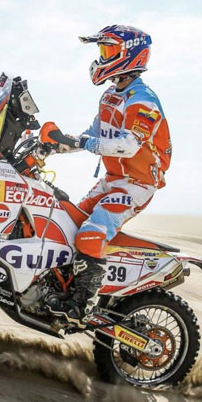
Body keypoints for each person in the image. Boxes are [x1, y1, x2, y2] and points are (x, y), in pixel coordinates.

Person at [41, 25, 172, 327]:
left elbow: (128, 146)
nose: (102, 58)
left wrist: (84, 143)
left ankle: (80, 307)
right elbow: (92, 134)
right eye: (103, 51)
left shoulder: (143, 100)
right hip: (112, 180)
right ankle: (59, 287)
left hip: (136, 186)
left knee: (91, 233)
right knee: (68, 221)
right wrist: (54, 146)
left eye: (108, 51)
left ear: (130, 54)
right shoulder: (111, 95)